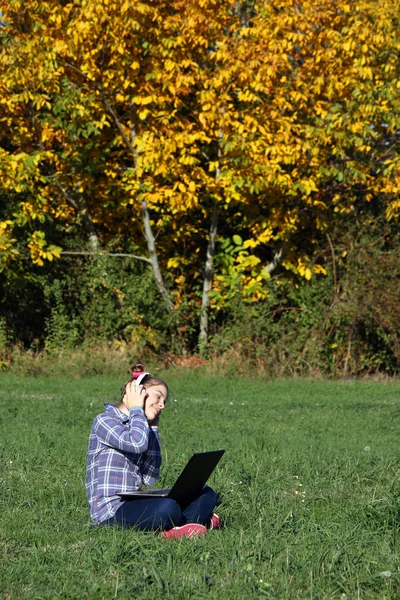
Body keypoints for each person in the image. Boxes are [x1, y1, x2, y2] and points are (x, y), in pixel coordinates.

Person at [86, 362, 220, 539]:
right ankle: (195, 520)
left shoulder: (141, 427)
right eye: (158, 397)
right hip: (111, 512)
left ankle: (186, 527)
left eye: (164, 401)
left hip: (134, 502)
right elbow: (137, 444)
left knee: (204, 490)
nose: (162, 405)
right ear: (137, 392)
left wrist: (154, 427)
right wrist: (136, 409)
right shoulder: (105, 421)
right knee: (168, 508)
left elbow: (150, 477)